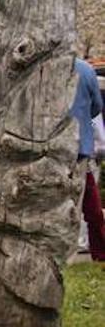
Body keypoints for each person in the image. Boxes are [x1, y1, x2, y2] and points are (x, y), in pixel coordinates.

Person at [70, 57, 104, 260]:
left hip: (46, 147)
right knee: (91, 206)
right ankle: (100, 251)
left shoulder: (39, 66)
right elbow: (97, 106)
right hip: (79, 145)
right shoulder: (85, 69)